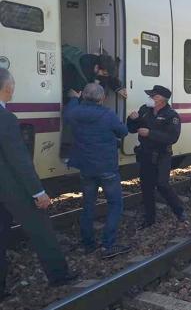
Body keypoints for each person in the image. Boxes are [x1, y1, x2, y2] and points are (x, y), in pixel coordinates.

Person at [0, 68, 77, 299]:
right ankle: (59, 275)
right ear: (7, 87)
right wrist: (38, 192)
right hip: (13, 189)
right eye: (12, 85)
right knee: (41, 229)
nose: (13, 89)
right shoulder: (6, 119)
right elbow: (19, 160)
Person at [64, 83, 130, 259]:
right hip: (107, 167)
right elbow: (123, 132)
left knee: (88, 205)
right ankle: (108, 244)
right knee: (115, 204)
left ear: (83, 96)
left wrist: (73, 98)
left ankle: (88, 243)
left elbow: (69, 109)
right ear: (102, 99)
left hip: (86, 167)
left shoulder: (74, 111)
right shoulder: (107, 114)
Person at [127, 85, 186, 229]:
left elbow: (172, 137)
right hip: (145, 153)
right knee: (146, 187)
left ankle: (179, 211)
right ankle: (149, 218)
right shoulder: (145, 110)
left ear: (162, 100)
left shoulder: (171, 115)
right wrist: (132, 119)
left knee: (162, 184)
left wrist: (150, 134)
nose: (150, 98)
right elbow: (133, 129)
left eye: (153, 96)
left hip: (162, 155)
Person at [62, 46, 127, 99]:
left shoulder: (97, 60)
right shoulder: (80, 74)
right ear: (97, 67)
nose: (105, 76)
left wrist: (118, 88)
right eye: (104, 74)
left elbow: (108, 76)